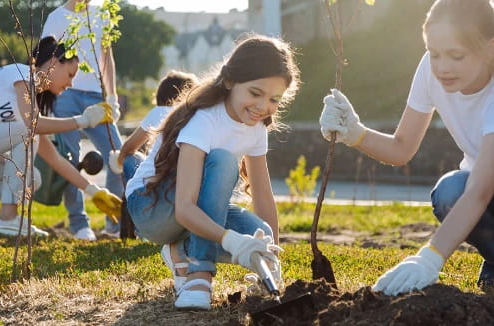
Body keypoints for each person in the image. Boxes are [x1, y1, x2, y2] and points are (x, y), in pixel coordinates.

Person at [320, 0, 494, 296]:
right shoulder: (431, 70)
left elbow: (481, 189)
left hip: (486, 187)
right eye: (434, 53)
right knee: (450, 192)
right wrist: (355, 133)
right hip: (484, 187)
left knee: (463, 191)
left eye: (456, 56)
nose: (442, 67)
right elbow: (401, 149)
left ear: (491, 48)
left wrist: (430, 258)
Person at [125, 35, 300, 310]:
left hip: (195, 209)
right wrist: (232, 241)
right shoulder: (204, 120)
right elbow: (184, 208)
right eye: (255, 93)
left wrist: (270, 258)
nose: (263, 107)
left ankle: (179, 250)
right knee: (223, 160)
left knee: (260, 234)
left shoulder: (256, 127)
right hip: (151, 207)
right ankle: (198, 275)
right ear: (230, 82)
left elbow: (264, 199)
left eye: (274, 99)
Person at [0, 36, 121, 237]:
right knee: (29, 132)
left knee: (32, 176)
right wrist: (84, 120)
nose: (70, 84)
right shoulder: (21, 73)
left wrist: (93, 191)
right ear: (54, 63)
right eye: (70, 74)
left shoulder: (27, 109)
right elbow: (33, 125)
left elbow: (54, 158)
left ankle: (6, 219)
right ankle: (7, 219)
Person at [41, 0, 124, 240]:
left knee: (117, 156)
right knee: (70, 158)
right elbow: (47, 58)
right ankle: (79, 224)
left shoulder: (102, 15)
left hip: (97, 95)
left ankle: (114, 223)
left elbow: (107, 58)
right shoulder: (57, 18)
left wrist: (112, 97)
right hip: (65, 94)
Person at [108, 70, 199, 181]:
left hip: (156, 182)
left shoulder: (160, 111)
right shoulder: (196, 115)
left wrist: (118, 162)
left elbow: (128, 147)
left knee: (130, 159)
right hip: (186, 180)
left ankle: (130, 194)